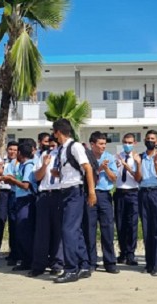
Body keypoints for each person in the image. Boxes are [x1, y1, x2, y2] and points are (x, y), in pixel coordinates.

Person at [52, 118, 96, 283]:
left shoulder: (74, 146)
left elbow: (87, 168)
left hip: (74, 192)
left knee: (68, 230)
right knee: (75, 231)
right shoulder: (62, 149)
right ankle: (84, 265)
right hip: (65, 191)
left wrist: (91, 192)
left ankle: (71, 269)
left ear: (57, 131)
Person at [83, 131, 119, 274]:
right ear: (93, 144)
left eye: (105, 144)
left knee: (108, 229)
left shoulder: (109, 157)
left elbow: (113, 178)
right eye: (100, 144)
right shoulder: (86, 157)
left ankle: (110, 262)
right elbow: (86, 175)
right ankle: (91, 261)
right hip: (90, 194)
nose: (103, 146)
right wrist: (98, 168)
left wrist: (106, 168)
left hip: (104, 195)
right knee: (90, 230)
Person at [30, 136, 64, 277]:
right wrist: (44, 165)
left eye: (54, 145)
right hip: (44, 195)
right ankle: (39, 265)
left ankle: (57, 264)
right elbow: (37, 177)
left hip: (59, 194)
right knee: (42, 232)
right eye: (49, 145)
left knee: (58, 232)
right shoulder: (44, 155)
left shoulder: (64, 155)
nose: (51, 147)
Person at [3, 141, 37, 272]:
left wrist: (12, 181)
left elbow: (25, 185)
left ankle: (28, 260)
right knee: (21, 231)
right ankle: (26, 259)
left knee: (24, 231)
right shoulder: (22, 165)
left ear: (20, 153)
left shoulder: (28, 165)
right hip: (20, 199)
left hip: (26, 200)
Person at [138, 130, 157, 276]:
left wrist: (156, 162)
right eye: (148, 138)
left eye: (153, 139)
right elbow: (138, 177)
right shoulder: (140, 157)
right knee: (146, 229)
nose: (150, 140)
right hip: (143, 192)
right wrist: (137, 165)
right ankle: (149, 263)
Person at [114, 133, 141, 266]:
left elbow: (138, 177)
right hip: (119, 192)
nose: (127, 145)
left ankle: (131, 253)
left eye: (130, 142)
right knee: (120, 224)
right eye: (125, 142)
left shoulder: (137, 158)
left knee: (132, 224)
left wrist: (128, 166)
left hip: (133, 193)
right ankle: (123, 252)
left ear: (134, 143)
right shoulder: (117, 157)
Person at [0, 141, 18, 261]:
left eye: (15, 150)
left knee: (13, 222)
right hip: (3, 193)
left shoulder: (19, 163)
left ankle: (13, 251)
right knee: (0, 220)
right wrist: (2, 177)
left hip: (14, 193)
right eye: (10, 149)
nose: (12, 152)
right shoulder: (2, 163)